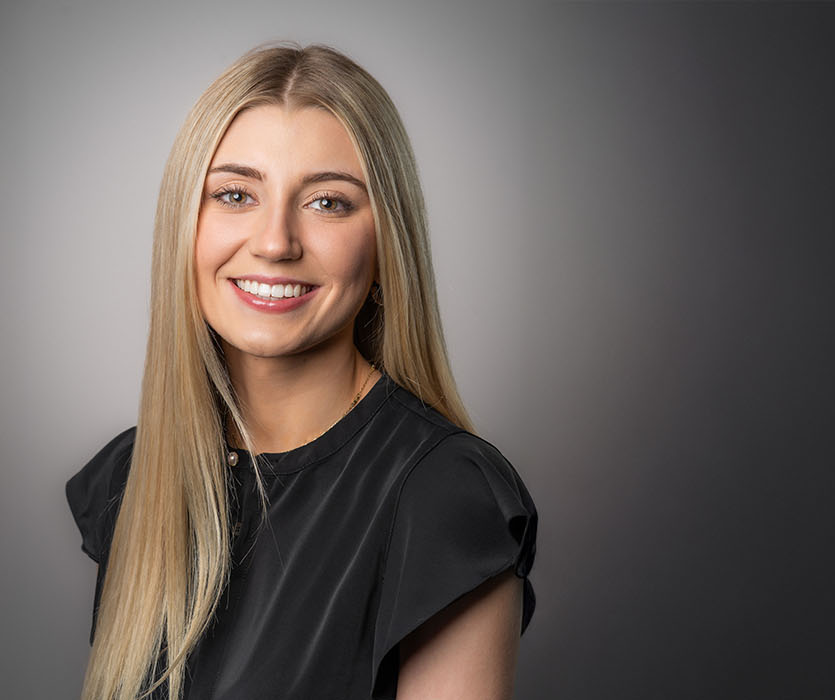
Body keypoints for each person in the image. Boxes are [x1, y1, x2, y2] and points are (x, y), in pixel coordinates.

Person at [65, 41, 538, 700]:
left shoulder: (441, 500)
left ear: (385, 246)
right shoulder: (134, 477)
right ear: (185, 227)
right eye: (234, 194)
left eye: (328, 203)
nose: (275, 241)